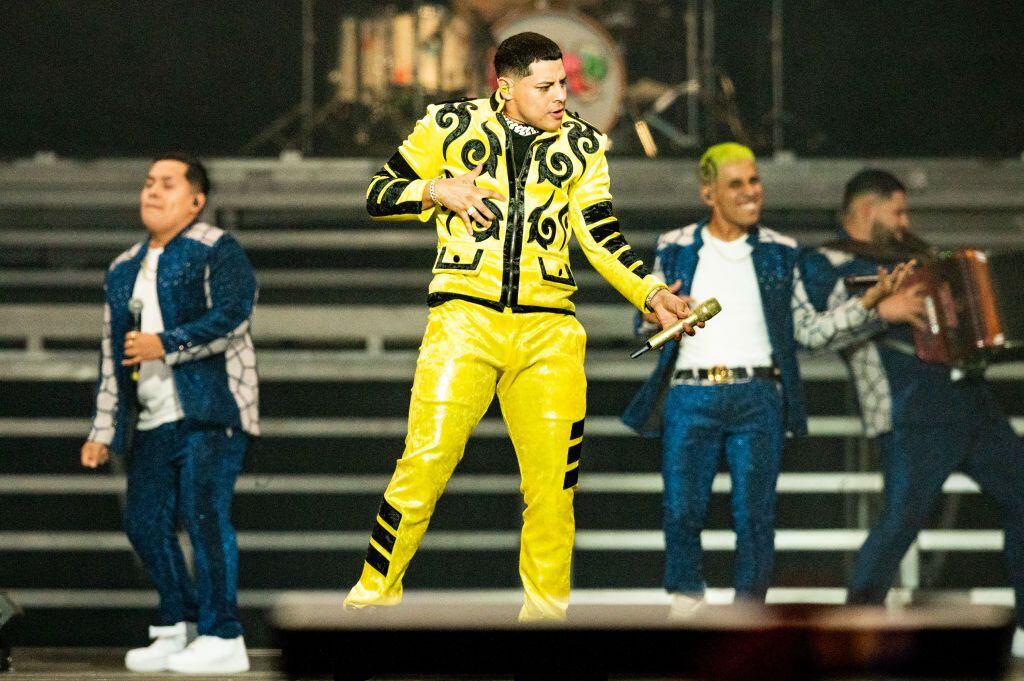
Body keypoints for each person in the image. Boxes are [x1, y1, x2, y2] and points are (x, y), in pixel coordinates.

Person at [344, 31, 696, 621]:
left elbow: (601, 234)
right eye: (547, 85)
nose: (563, 95)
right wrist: (435, 189)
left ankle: (544, 626)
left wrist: (650, 291)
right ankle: (368, 604)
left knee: (554, 493)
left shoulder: (583, 144)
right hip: (464, 320)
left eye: (562, 83)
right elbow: (378, 193)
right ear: (505, 87)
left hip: (550, 332)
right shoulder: (447, 126)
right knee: (423, 465)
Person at [622, 143, 906, 615]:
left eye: (755, 181)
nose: (751, 192)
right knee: (680, 509)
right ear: (708, 193)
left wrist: (868, 302)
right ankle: (686, 606)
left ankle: (747, 617)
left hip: (758, 396)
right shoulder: (674, 246)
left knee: (754, 517)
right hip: (691, 392)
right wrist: (652, 316)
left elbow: (810, 333)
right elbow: (646, 316)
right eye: (737, 184)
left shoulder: (780, 251)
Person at [799, 168, 1024, 656]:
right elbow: (817, 333)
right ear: (867, 209)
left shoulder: (910, 253)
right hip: (910, 413)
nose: (905, 221)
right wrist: (884, 310)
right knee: (901, 522)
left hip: (970, 402)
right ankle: (851, 639)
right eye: (897, 211)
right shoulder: (825, 262)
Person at [80, 154, 258, 673]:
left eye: (167, 183)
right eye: (148, 182)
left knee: (204, 515)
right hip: (153, 417)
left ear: (196, 200)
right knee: (143, 523)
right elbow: (113, 356)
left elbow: (234, 317)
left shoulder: (214, 247)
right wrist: (104, 428)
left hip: (211, 408)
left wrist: (169, 343)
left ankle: (223, 632)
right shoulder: (122, 268)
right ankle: (174, 625)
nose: (152, 191)